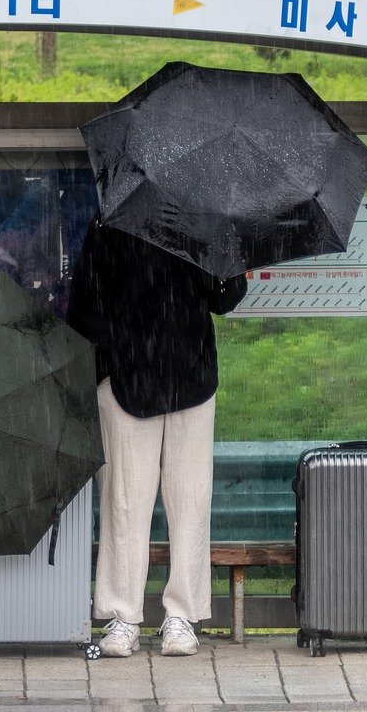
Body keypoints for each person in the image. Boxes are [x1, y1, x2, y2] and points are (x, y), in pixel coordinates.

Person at [67, 217, 248, 657]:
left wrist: (235, 261)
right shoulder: (110, 224)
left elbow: (225, 298)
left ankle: (181, 616)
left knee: (190, 498)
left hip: (191, 377)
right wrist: (110, 361)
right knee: (125, 500)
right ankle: (122, 616)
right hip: (127, 380)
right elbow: (84, 308)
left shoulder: (203, 222)